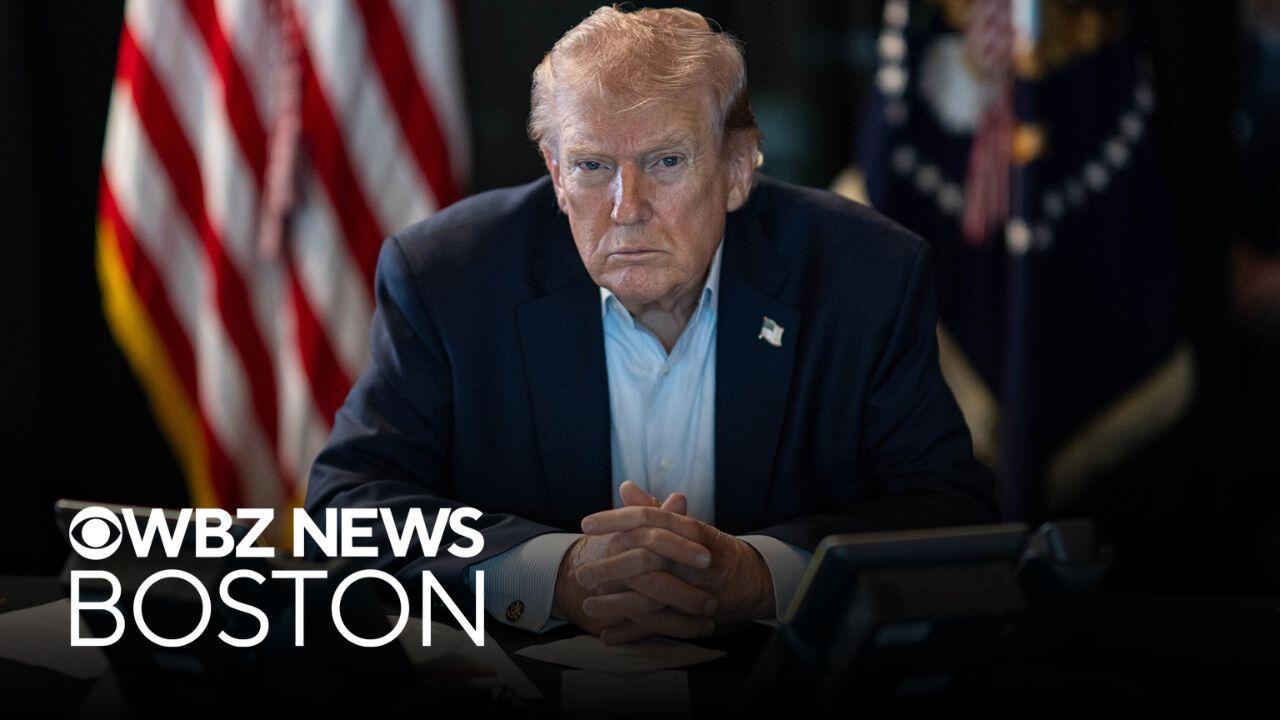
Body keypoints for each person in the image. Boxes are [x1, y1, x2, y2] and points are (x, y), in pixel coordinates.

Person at [306, 5, 995, 644]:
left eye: (666, 161)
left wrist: (762, 576)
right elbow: (348, 509)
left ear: (737, 168)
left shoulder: (864, 275)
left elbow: (946, 511)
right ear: (555, 173)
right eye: (591, 166)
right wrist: (552, 573)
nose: (626, 206)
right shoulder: (449, 277)